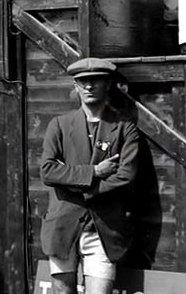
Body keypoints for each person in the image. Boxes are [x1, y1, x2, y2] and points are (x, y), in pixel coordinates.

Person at [40, 57, 139, 294]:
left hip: (102, 229)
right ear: (75, 86)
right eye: (83, 81)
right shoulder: (59, 125)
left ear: (108, 84)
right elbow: (48, 171)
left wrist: (75, 185)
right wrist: (95, 172)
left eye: (96, 80)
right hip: (62, 226)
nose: (89, 86)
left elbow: (125, 175)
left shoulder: (124, 127)